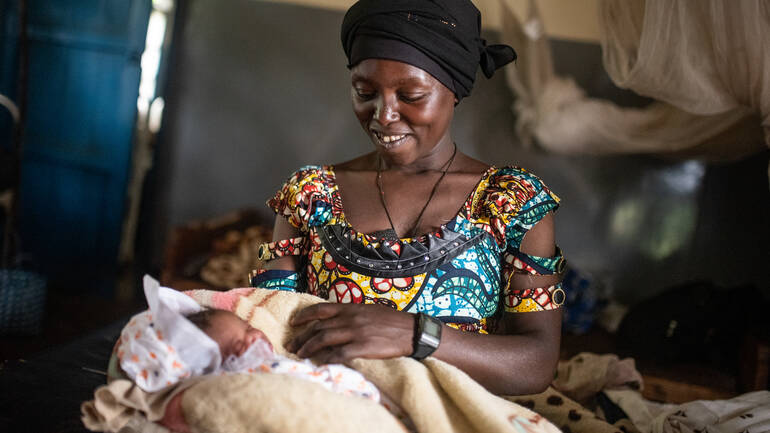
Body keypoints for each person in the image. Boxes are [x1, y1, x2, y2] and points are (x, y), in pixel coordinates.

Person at [252, 0, 565, 396]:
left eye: (411, 95)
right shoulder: (310, 195)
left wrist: (416, 334)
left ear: (454, 90)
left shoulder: (511, 202)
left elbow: (537, 364)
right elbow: (266, 324)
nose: (384, 115)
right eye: (365, 92)